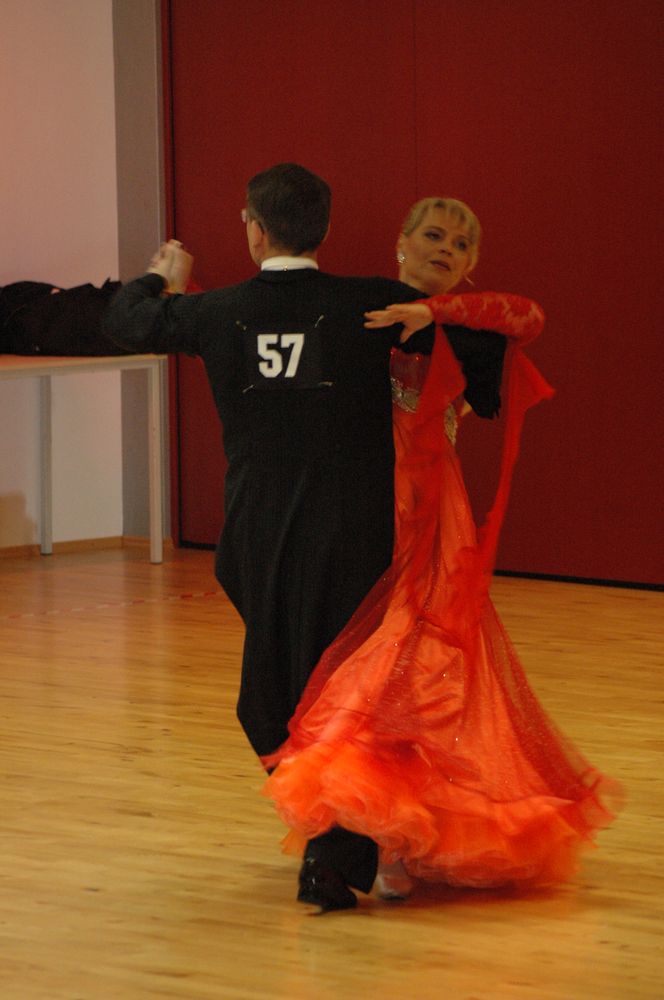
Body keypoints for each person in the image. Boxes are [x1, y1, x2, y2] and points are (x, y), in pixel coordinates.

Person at [104, 163, 475, 912]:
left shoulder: (217, 311)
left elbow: (127, 321)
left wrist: (160, 275)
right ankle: (341, 832)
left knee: (309, 698)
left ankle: (336, 851)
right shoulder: (369, 303)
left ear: (252, 228)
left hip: (266, 535)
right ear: (325, 228)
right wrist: (433, 314)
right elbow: (497, 330)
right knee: (300, 701)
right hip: (343, 534)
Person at [261, 196, 621, 903]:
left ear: (470, 266)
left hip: (431, 505)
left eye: (460, 245)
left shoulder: (469, 325)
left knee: (422, 660)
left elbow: (529, 317)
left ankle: (399, 830)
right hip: (363, 493)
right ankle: (375, 826)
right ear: (401, 241)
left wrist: (435, 314)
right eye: (433, 235)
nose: (445, 250)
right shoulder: (361, 308)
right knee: (373, 656)